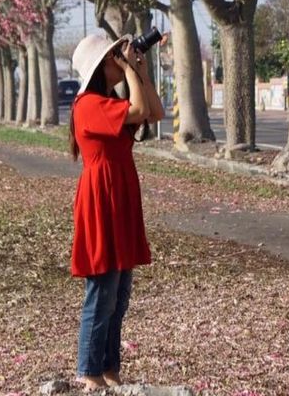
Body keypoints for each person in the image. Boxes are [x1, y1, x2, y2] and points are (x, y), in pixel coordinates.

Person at [69, 32, 165, 391]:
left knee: (120, 290)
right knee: (103, 287)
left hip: (120, 194)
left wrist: (140, 71)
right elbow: (140, 110)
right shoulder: (88, 104)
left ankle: (109, 367)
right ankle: (89, 368)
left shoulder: (107, 102)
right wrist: (129, 71)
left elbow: (155, 112)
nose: (119, 59)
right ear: (100, 67)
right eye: (114, 56)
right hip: (102, 197)